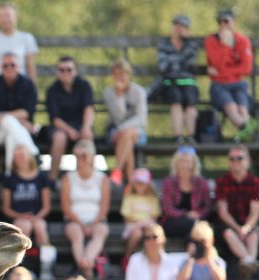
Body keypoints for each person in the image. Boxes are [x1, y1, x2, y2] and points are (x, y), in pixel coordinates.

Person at [204, 9, 257, 142]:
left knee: (242, 108)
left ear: (233, 22)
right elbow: (217, 63)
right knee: (231, 106)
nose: (223, 24)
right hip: (219, 86)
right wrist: (224, 46)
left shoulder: (243, 41)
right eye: (219, 21)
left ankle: (246, 134)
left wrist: (222, 72)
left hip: (238, 84)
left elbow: (246, 68)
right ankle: (249, 131)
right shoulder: (211, 41)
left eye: (226, 21)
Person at [61, 139, 110, 279]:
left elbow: (104, 207)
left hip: (97, 220)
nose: (80, 159)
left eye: (84, 156)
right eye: (77, 156)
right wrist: (82, 224)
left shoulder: (102, 179)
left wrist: (93, 223)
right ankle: (87, 268)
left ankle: (85, 262)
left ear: (92, 157)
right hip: (73, 220)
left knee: (101, 231)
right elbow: (66, 207)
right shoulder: (68, 178)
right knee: (76, 233)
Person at [0, 52, 38, 172]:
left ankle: (10, 174)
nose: (9, 68)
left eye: (12, 65)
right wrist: (16, 118)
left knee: (11, 137)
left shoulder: (28, 84)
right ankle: (33, 153)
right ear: (0, 67)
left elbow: (27, 112)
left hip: (19, 130)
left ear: (19, 66)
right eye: (5, 65)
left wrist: (4, 115)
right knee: (8, 121)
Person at [44, 56, 94, 182]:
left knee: (87, 137)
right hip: (60, 128)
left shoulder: (84, 86)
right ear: (57, 72)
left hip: (81, 126)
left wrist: (86, 127)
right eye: (61, 70)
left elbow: (89, 108)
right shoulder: (52, 90)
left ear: (75, 71)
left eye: (69, 69)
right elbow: (55, 119)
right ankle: (52, 180)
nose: (65, 73)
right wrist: (69, 131)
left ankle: (85, 179)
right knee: (60, 137)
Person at [214, 145, 259, 277]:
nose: (236, 161)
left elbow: (255, 211)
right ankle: (250, 262)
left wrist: (246, 228)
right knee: (229, 233)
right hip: (227, 226)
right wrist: (237, 228)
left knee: (254, 235)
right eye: (232, 159)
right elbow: (223, 211)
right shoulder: (222, 181)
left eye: (240, 158)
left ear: (248, 161)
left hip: (248, 225)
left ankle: (247, 263)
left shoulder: (255, 183)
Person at [104, 59, 148, 186]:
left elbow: (141, 119)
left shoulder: (139, 92)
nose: (120, 77)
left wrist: (123, 129)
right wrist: (119, 96)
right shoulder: (109, 92)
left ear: (128, 74)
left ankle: (117, 170)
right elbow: (118, 117)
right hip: (116, 132)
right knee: (127, 140)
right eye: (116, 74)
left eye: (122, 73)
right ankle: (130, 185)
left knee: (128, 134)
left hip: (135, 132)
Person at [157, 14, 199, 143]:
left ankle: (191, 136)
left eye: (182, 26)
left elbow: (190, 64)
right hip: (170, 81)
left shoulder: (191, 45)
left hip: (188, 81)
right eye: (176, 25)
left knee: (190, 103)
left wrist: (181, 49)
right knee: (176, 102)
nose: (178, 29)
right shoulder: (164, 44)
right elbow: (163, 66)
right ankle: (178, 137)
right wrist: (180, 58)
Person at [0, 144, 51, 250]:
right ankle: (20, 263)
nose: (20, 159)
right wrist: (20, 216)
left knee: (40, 227)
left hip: (38, 216)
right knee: (24, 226)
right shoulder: (10, 179)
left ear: (29, 157)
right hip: (18, 217)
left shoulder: (41, 177)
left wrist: (36, 217)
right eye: (16, 156)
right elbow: (6, 208)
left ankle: (46, 262)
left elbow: (46, 206)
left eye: (22, 155)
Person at [0, 3, 39, 84]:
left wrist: (32, 91)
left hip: (21, 86)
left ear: (16, 17)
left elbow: (31, 68)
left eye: (8, 15)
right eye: (1, 16)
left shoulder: (27, 38)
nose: (5, 19)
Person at [160, 146, 212, 242]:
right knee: (195, 227)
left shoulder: (201, 182)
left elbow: (207, 206)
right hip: (173, 222)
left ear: (194, 164)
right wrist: (186, 214)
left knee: (193, 236)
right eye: (182, 161)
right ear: (176, 163)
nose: (185, 165)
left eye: (188, 161)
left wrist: (198, 214)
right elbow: (168, 209)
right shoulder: (168, 182)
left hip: (197, 221)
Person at [120, 168, 161, 267]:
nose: (140, 186)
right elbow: (126, 216)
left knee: (154, 234)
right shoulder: (129, 198)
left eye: (143, 183)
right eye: (138, 183)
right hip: (133, 227)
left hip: (149, 226)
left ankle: (154, 258)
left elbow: (155, 216)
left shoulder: (153, 199)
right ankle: (128, 257)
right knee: (137, 234)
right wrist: (139, 223)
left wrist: (145, 223)